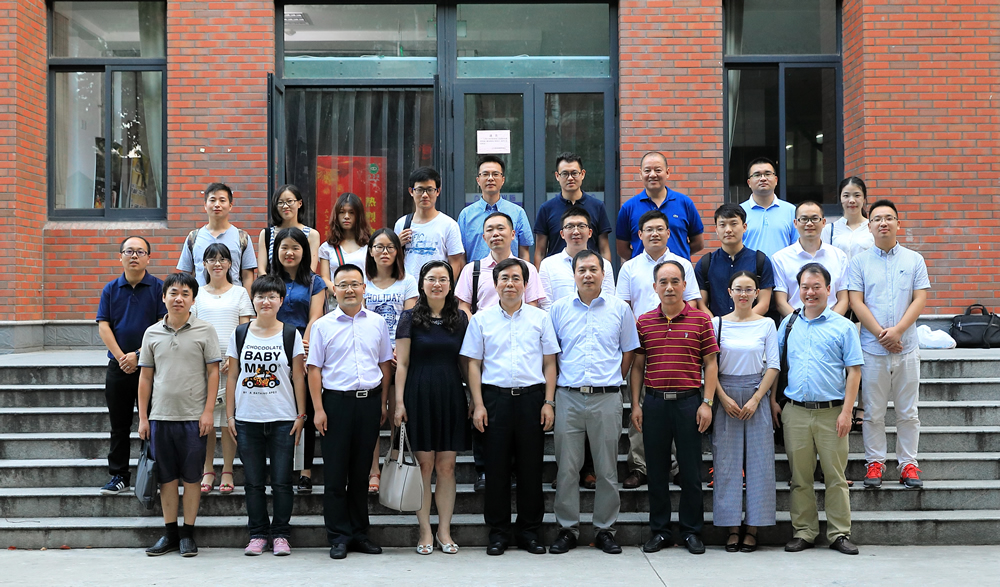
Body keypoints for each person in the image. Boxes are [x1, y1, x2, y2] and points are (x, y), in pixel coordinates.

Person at [461, 258, 560, 556]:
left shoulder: (540, 318)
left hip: (532, 400)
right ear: (495, 284)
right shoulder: (481, 320)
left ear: (526, 284)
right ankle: (499, 533)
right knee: (496, 470)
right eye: (504, 278)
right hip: (495, 400)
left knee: (531, 469)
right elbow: (473, 365)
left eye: (516, 278)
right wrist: (478, 404)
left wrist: (549, 402)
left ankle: (529, 532)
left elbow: (550, 363)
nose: (510, 284)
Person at [547, 250, 639, 556]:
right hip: (568, 396)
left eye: (593, 270)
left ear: (603, 274)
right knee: (567, 469)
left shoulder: (620, 309)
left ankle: (605, 530)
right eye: (582, 270)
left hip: (606, 398)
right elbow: (551, 355)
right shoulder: (558, 309)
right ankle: (567, 530)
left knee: (607, 469)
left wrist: (613, 379)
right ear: (573, 274)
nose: (588, 275)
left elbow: (629, 350)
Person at [630, 260, 718, 555]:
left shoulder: (701, 320)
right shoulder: (644, 322)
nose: (669, 287)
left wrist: (707, 403)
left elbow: (710, 363)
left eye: (675, 281)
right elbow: (638, 366)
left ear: (684, 285)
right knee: (656, 472)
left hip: (689, 403)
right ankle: (660, 531)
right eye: (663, 282)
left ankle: (691, 531)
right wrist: (636, 405)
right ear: (654, 287)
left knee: (691, 472)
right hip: (654, 403)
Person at [776, 263, 863, 556]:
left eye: (816, 287)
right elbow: (776, 365)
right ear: (798, 290)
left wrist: (847, 412)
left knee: (835, 476)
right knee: (800, 478)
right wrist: (775, 402)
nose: (810, 292)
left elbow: (854, 372)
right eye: (805, 287)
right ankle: (804, 532)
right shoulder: (788, 324)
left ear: (828, 289)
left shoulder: (843, 326)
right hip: (795, 412)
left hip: (832, 413)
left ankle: (839, 533)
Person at [308, 264, 393, 560]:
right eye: (343, 285)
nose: (349, 290)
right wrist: (318, 409)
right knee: (335, 475)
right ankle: (338, 537)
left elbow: (385, 364)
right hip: (335, 404)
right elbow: (314, 369)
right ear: (334, 290)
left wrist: (383, 402)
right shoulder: (322, 326)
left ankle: (359, 534)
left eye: (355, 284)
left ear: (364, 288)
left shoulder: (377, 323)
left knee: (360, 473)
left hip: (369, 402)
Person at [137, 272, 222, 557]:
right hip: (161, 417)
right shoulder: (151, 333)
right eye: (173, 293)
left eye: (186, 293)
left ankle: (188, 534)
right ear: (163, 297)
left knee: (193, 478)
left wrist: (208, 412)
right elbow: (145, 378)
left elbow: (213, 373)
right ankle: (170, 533)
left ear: (193, 300)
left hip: (193, 418)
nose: (179, 298)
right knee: (167, 479)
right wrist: (143, 417)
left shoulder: (205, 330)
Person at [616, 210, 701, 489]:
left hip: (677, 345)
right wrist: (637, 336)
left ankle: (676, 467)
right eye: (649, 229)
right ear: (639, 235)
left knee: (676, 410)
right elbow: (623, 308)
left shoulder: (682, 264)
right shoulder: (629, 268)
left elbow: (692, 303)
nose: (654, 233)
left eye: (660, 229)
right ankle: (640, 466)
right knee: (640, 407)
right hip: (642, 344)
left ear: (668, 233)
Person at [849, 199, 930, 489]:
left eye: (889, 218)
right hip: (872, 349)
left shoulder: (914, 259)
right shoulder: (858, 262)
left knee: (908, 411)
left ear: (898, 223)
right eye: (877, 219)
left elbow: (919, 298)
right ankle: (875, 463)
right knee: (873, 412)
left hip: (907, 347)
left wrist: (898, 331)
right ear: (869, 226)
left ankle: (908, 464)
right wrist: (882, 335)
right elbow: (856, 301)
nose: (883, 223)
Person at [224, 275, 307, 556]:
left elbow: (298, 377)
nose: (266, 301)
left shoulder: (291, 334)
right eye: (260, 296)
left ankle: (281, 534)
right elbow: (232, 376)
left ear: (281, 301)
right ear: (253, 300)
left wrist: (300, 414)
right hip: (248, 419)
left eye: (272, 296)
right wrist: (230, 416)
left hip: (283, 418)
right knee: (254, 482)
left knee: (282, 482)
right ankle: (258, 534)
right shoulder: (240, 333)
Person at [393, 260, 470, 555]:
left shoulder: (460, 318)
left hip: (451, 393)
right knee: (424, 466)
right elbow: (402, 364)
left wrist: (474, 399)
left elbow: (466, 362)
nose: (437, 284)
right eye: (431, 279)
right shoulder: (409, 317)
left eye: (443, 279)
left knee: (447, 466)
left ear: (450, 284)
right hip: (418, 393)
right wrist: (399, 402)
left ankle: (444, 530)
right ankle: (425, 529)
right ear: (422, 284)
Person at [710, 271, 780, 553]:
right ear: (729, 292)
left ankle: (753, 528)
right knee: (726, 464)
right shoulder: (717, 324)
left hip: (756, 394)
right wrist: (722, 397)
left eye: (748, 289)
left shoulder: (767, 324)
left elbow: (773, 365)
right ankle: (731, 527)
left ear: (756, 294)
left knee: (760, 464)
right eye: (738, 289)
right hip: (725, 396)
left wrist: (757, 399)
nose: (743, 294)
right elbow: (710, 366)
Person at [96, 236, 166, 495]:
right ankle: (119, 476)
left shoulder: (159, 288)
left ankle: (156, 475)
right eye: (129, 251)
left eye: (140, 251)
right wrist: (122, 358)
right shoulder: (111, 289)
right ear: (120, 257)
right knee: (119, 424)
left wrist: (138, 355)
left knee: (154, 423)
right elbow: (104, 325)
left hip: (151, 367)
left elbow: (162, 325)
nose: (134, 256)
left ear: (149, 258)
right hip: (119, 367)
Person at [192, 244, 253, 496]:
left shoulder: (240, 293)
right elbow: (193, 328)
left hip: (232, 364)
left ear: (230, 264)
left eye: (222, 259)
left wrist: (233, 357)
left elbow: (245, 329)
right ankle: (208, 469)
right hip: (203, 365)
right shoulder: (196, 294)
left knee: (228, 420)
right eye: (212, 259)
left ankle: (227, 469)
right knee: (206, 420)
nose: (217, 263)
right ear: (204, 264)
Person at [271, 227, 327, 495]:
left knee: (307, 412)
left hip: (305, 348)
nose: (290, 252)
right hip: (273, 349)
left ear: (304, 251)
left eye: (295, 247)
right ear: (277, 251)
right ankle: (280, 470)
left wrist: (302, 347)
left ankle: (305, 472)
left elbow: (315, 316)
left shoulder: (315, 282)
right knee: (279, 411)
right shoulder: (269, 281)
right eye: (284, 247)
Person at [363, 228, 418, 494]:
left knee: (397, 412)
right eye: (379, 247)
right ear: (370, 251)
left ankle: (395, 462)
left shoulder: (407, 281)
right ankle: (373, 469)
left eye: (390, 247)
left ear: (398, 252)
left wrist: (397, 352)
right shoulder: (363, 280)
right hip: (368, 356)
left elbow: (409, 319)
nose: (384, 252)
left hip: (399, 356)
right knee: (374, 415)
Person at [615, 151, 704, 260]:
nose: (652, 175)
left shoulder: (685, 203)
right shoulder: (628, 208)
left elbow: (698, 243)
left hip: (677, 269)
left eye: (658, 170)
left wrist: (679, 257)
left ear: (667, 172)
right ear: (640, 174)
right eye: (647, 170)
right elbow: (622, 248)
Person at [456, 211, 546, 317]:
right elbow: (463, 307)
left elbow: (532, 305)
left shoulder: (528, 269)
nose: (495, 234)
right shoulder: (471, 270)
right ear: (484, 238)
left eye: (500, 228)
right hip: (483, 326)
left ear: (513, 234)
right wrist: (476, 325)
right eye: (490, 230)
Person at [771, 201, 850, 317]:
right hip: (795, 323)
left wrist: (830, 323)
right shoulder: (780, 259)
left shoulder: (839, 257)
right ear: (795, 223)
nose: (809, 223)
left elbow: (843, 299)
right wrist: (801, 324)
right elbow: (780, 302)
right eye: (804, 219)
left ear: (823, 222)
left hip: (832, 324)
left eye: (814, 219)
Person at [695, 203, 775, 318]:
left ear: (744, 227)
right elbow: (701, 305)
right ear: (716, 229)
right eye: (722, 225)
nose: (728, 230)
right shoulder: (705, 263)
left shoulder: (760, 261)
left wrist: (740, 322)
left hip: (752, 325)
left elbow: (764, 304)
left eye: (733, 224)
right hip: (717, 327)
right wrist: (718, 324)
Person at [533, 153, 613, 266]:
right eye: (565, 174)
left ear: (582, 174)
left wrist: (604, 273)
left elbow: (604, 249)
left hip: (589, 270)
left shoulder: (597, 206)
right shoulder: (546, 209)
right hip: (557, 272)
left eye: (574, 173)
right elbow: (540, 252)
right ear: (557, 176)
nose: (570, 178)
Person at [177, 182, 257, 288]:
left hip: (234, 297)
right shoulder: (193, 237)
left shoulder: (242, 237)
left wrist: (246, 298)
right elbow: (186, 275)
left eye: (222, 200)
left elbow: (247, 277)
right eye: (212, 200)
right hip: (200, 297)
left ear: (230, 206)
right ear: (205, 205)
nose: (217, 205)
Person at [456, 155, 533, 263]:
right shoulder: (466, 215)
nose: (490, 178)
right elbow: (461, 255)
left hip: (510, 272)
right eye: (485, 174)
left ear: (503, 180)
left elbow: (524, 252)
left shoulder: (517, 212)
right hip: (477, 272)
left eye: (495, 174)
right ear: (478, 180)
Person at [393, 166, 465, 279]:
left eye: (430, 190)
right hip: (407, 288)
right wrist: (396, 245)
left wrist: (447, 286)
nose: (425, 195)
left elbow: (456, 262)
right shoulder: (401, 224)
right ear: (411, 191)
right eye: (420, 190)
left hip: (436, 287)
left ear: (438, 191)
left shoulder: (449, 225)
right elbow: (393, 260)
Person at [538, 207, 615, 311]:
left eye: (581, 226)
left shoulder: (604, 264)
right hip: (559, 321)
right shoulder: (548, 265)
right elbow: (545, 304)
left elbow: (608, 300)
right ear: (562, 234)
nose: (576, 231)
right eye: (570, 227)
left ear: (590, 233)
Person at [318, 192, 372, 299]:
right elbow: (325, 278)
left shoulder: (370, 245)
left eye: (351, 212)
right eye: (342, 212)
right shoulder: (327, 247)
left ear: (359, 216)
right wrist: (342, 292)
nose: (346, 217)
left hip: (366, 299)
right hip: (337, 301)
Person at [740, 157, 797, 257]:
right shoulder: (739, 212)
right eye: (757, 175)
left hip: (781, 267)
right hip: (749, 267)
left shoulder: (791, 211)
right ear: (749, 183)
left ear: (776, 180)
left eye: (767, 174)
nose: (763, 178)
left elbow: (797, 246)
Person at [257, 184, 321, 274]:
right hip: (272, 282)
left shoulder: (312, 234)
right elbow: (261, 271)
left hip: (302, 282)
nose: (285, 206)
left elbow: (310, 271)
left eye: (289, 201)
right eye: (280, 202)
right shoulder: (266, 234)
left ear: (300, 203)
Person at [822, 177, 875, 261]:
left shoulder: (873, 228)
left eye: (857, 195)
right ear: (840, 198)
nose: (851, 200)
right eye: (846, 196)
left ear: (864, 198)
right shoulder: (829, 230)